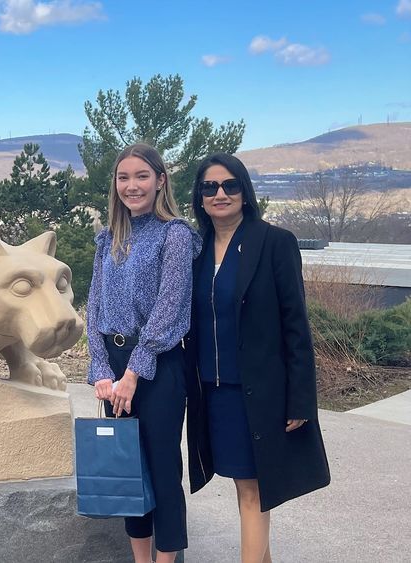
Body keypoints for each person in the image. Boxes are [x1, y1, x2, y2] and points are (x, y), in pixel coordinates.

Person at [185, 153, 330, 563]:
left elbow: (296, 327)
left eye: (230, 185)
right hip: (214, 393)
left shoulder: (274, 242)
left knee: (253, 491)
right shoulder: (195, 251)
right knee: (244, 487)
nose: (220, 194)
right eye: (210, 187)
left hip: (259, 394)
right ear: (199, 196)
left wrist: (301, 399)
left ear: (245, 192)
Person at [86, 143, 201, 563]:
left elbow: (169, 307)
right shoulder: (108, 240)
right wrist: (101, 369)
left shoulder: (175, 235)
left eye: (141, 176)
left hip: (157, 368)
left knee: (163, 471)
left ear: (160, 181)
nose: (131, 186)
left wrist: (133, 373)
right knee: (127, 471)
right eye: (123, 178)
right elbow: (93, 307)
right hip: (114, 369)